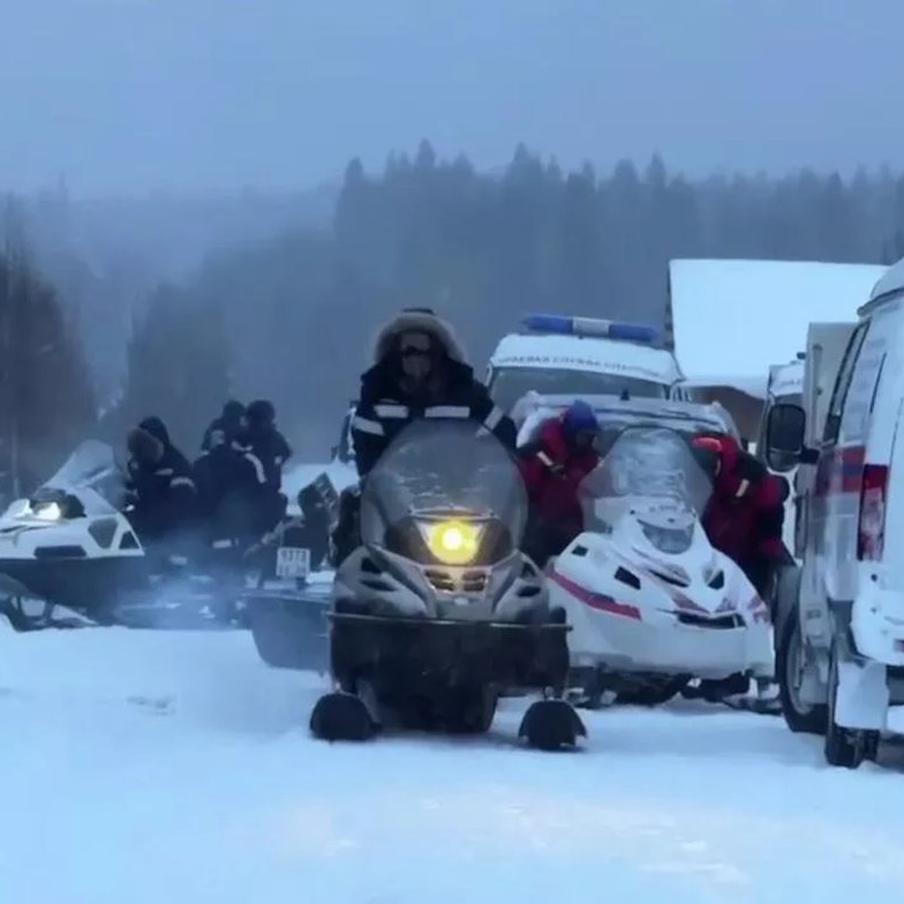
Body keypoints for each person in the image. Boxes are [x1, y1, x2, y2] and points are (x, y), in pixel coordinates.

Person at [351, 308, 516, 477]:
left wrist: (486, 469)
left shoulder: (465, 391)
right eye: (408, 351)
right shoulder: (377, 392)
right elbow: (365, 449)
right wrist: (375, 480)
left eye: (423, 350)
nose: (415, 359)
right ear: (395, 353)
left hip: (458, 488)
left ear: (437, 352)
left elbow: (503, 434)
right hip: (394, 490)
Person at [691, 433, 790, 598]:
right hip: (687, 559)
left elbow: (770, 523)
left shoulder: (750, 475)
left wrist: (765, 562)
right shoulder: (682, 468)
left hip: (738, 563)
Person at [518, 400, 600, 567]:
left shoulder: (591, 459)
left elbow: (603, 490)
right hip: (540, 528)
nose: (588, 441)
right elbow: (522, 491)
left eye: (591, 436)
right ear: (571, 433)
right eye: (584, 436)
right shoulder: (539, 453)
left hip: (579, 528)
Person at [125, 417, 198, 541]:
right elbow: (138, 492)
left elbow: (180, 508)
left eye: (145, 443)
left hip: (172, 537)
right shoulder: (143, 466)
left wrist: (143, 521)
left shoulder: (177, 467)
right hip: (143, 534)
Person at [241, 400, 292, 492]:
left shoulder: (245, 436)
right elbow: (286, 452)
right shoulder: (274, 436)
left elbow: (286, 452)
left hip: (255, 489)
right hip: (264, 489)